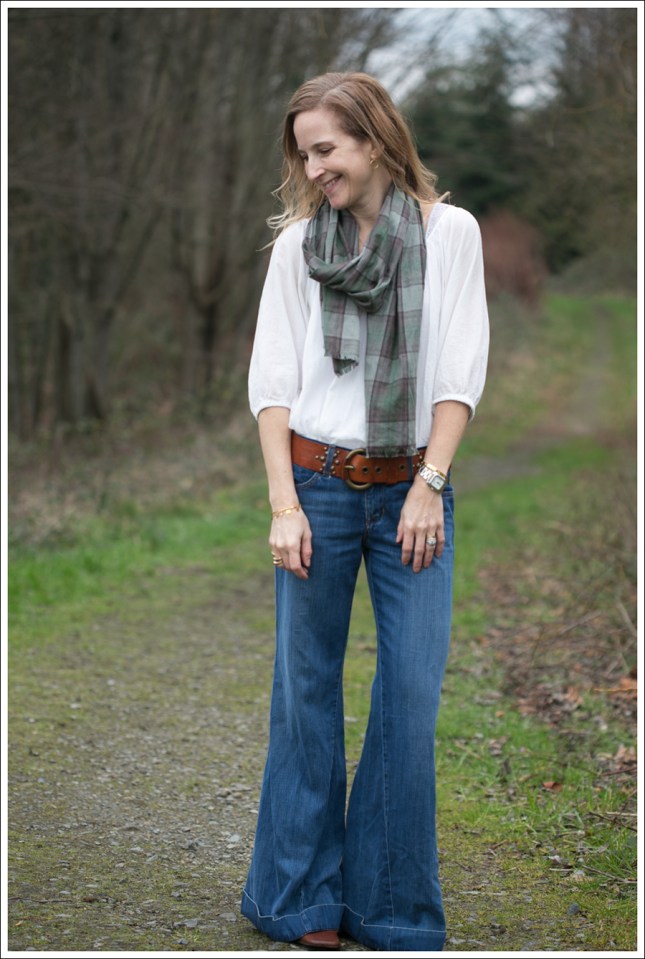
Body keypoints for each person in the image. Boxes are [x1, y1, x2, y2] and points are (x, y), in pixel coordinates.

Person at [240, 72, 489, 952]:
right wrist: (282, 504)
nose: (312, 169)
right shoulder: (296, 248)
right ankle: (299, 897)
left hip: (411, 489)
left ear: (375, 141)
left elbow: (458, 367)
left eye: (325, 150)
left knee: (410, 695)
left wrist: (430, 482)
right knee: (305, 691)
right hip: (314, 484)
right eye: (303, 155)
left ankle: (389, 905)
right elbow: (272, 382)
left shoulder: (449, 233)